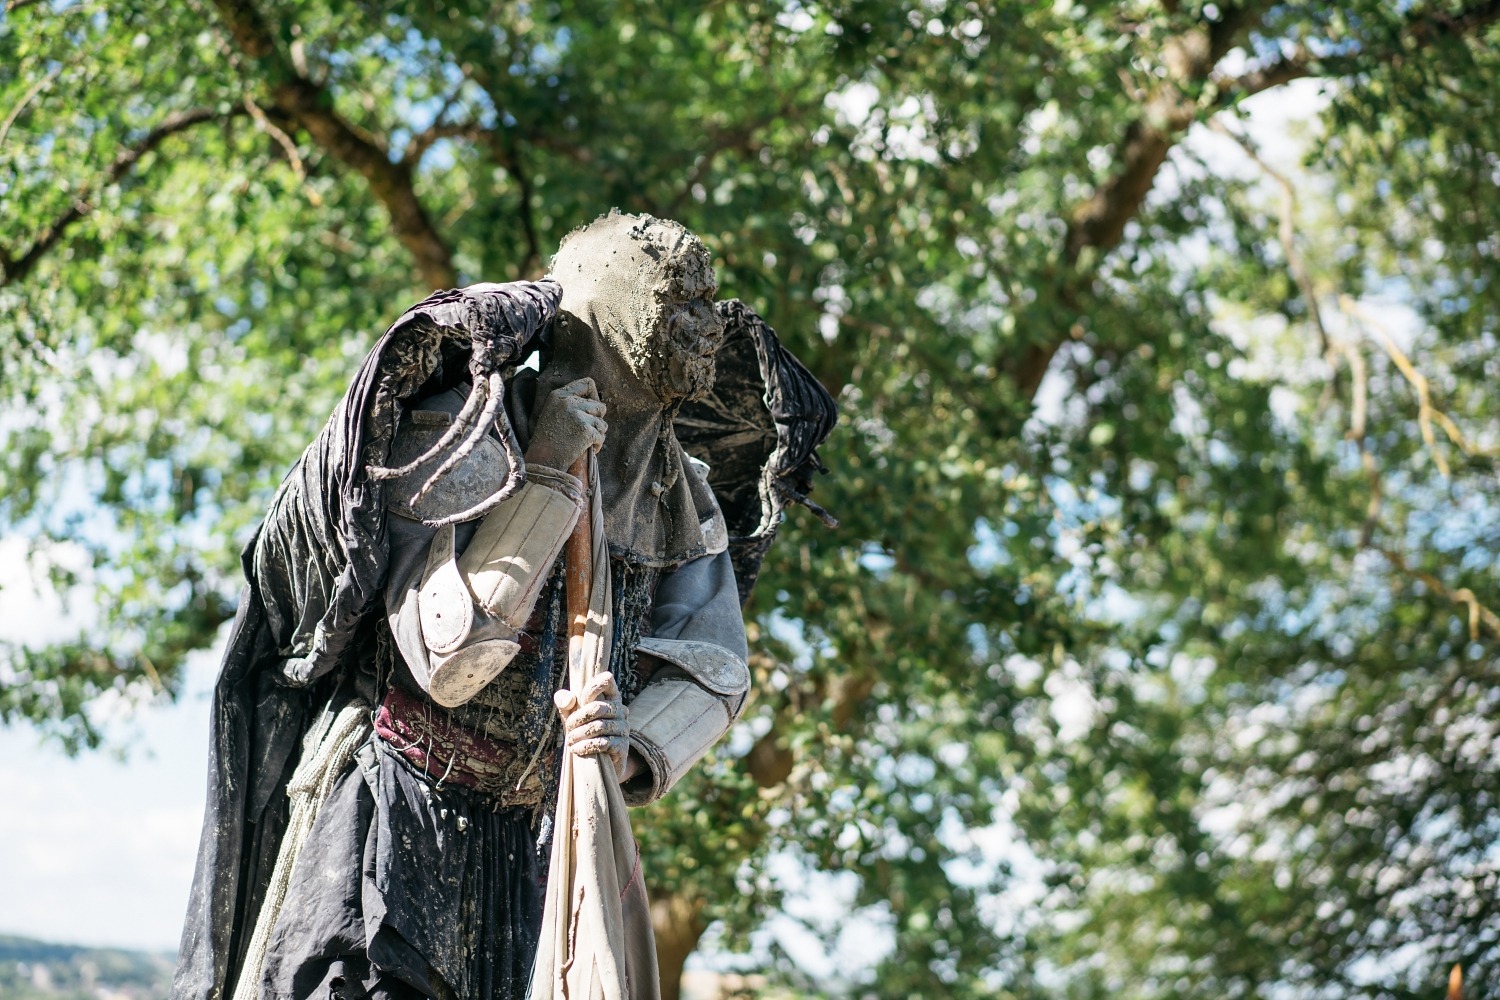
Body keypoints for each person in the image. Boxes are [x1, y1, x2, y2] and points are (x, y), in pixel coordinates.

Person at [172, 212, 837, 1000]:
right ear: (614, 309)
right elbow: (447, 660)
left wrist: (631, 747)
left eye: (708, 301)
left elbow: (718, 665)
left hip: (529, 853)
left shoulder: (679, 492)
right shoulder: (459, 427)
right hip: (395, 821)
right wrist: (548, 474)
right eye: (679, 301)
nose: (705, 326)